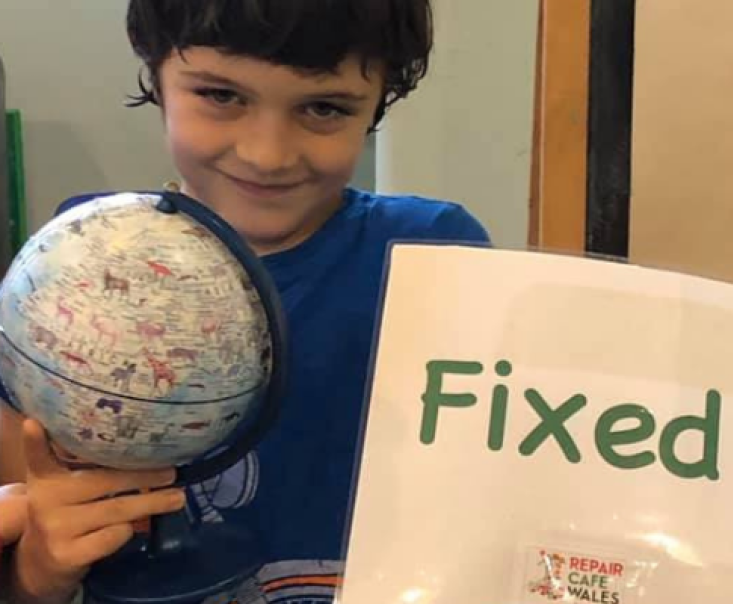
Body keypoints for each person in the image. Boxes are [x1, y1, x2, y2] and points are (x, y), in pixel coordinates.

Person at [0, 0, 491, 602]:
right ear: (155, 72)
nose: (267, 154)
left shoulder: (436, 256)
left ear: (379, 103)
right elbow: (31, 524)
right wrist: (36, 573)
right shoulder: (76, 263)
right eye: (221, 95)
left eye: (323, 108)